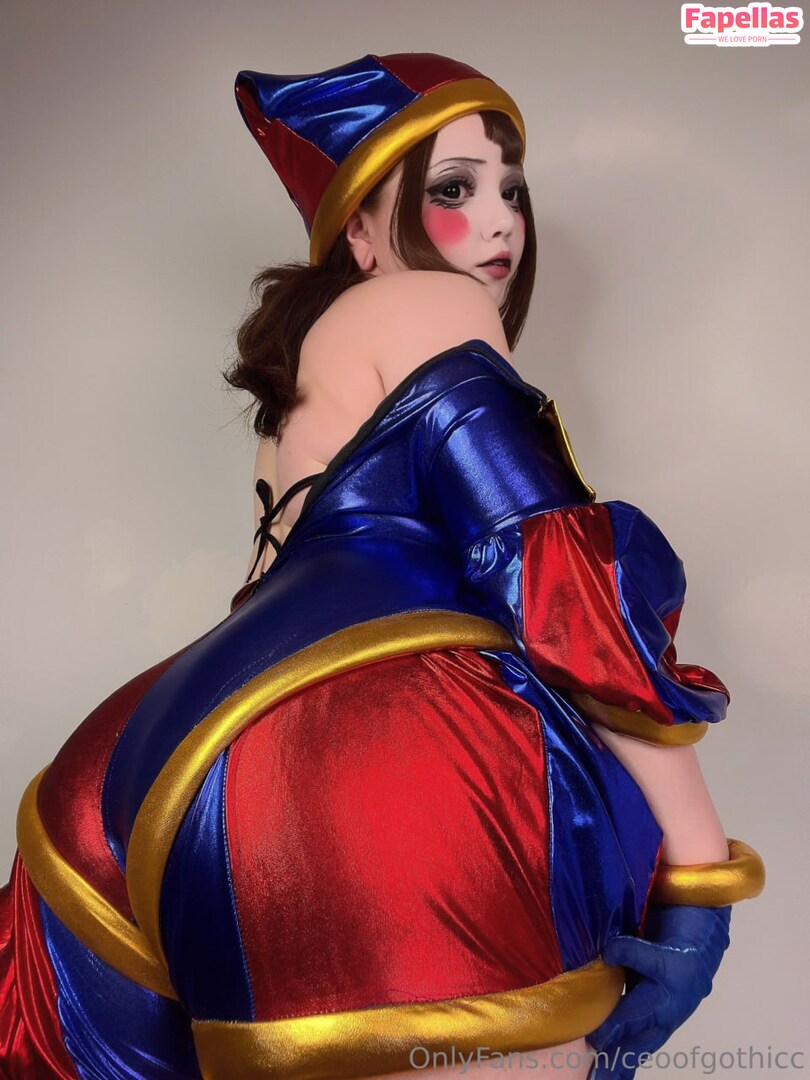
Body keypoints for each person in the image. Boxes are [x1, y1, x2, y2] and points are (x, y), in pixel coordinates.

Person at [0, 52, 764, 1080]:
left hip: (138, 768)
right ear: (361, 233)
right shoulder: (431, 305)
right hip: (378, 753)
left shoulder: (295, 399)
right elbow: (560, 581)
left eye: (511, 190)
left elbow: (269, 599)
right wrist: (701, 874)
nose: (499, 221)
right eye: (453, 189)